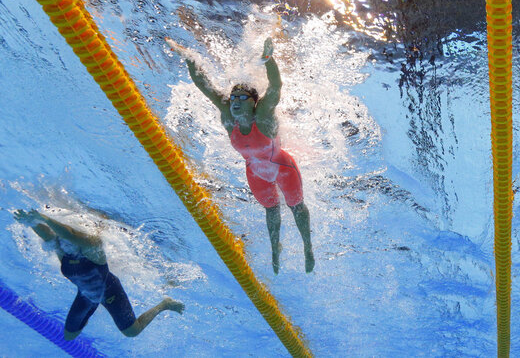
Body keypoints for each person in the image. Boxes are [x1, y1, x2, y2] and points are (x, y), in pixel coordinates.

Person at [167, 37, 314, 274]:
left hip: (282, 167)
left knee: (296, 207)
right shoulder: (228, 116)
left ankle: (307, 247)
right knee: (271, 210)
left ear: (253, 103)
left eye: (241, 98)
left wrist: (268, 60)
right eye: (233, 97)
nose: (234, 102)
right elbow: (204, 86)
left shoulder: (263, 116)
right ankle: (275, 248)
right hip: (255, 173)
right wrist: (188, 57)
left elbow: (276, 87)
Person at [12, 208, 184, 340]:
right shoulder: (64, 253)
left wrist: (43, 218)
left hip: (110, 292)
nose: (62, 242)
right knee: (69, 336)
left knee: (132, 332)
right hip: (87, 296)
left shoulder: (93, 247)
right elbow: (48, 236)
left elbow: (70, 234)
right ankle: (93, 306)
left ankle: (164, 304)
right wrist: (30, 221)